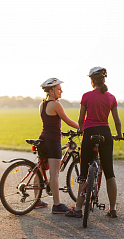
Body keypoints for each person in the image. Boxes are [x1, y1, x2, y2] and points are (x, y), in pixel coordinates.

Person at [65, 66, 122, 218]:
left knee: (84, 172)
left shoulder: (86, 96)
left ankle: (78, 209)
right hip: (105, 134)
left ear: (92, 81)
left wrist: (81, 130)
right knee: (109, 172)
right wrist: (118, 134)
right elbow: (117, 121)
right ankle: (113, 208)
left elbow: (80, 119)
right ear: (104, 80)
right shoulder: (111, 97)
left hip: (89, 134)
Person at [35, 77, 79, 213]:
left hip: (42, 139)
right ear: (51, 91)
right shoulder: (56, 105)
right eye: (59, 89)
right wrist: (82, 128)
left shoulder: (42, 105)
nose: (61, 91)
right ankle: (57, 204)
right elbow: (68, 121)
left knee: (40, 170)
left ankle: (36, 201)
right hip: (53, 141)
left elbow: (50, 123)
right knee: (54, 174)